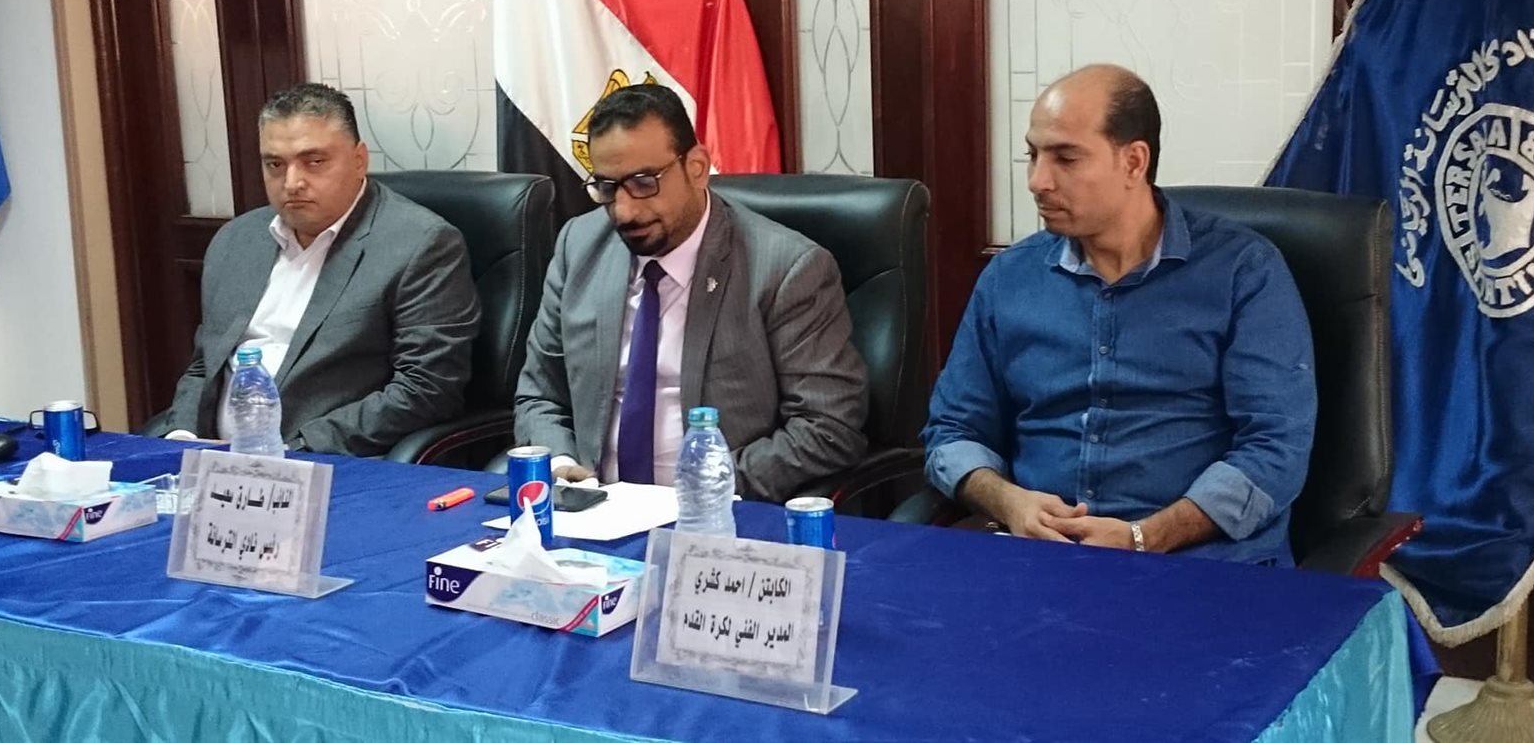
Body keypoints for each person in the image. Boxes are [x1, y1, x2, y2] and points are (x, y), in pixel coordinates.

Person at [923, 64, 1316, 566]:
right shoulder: (1010, 278)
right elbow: (952, 431)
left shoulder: (1244, 272)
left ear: (1133, 161)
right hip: (1041, 558)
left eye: (1066, 158)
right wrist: (1010, 502)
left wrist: (1145, 537)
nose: (1038, 181)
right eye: (1033, 155)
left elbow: (1275, 449)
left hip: (1201, 566)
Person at [514, 84, 867, 502]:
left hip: (716, 514)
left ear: (697, 167)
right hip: (593, 511)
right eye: (607, 187)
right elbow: (539, 393)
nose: (624, 211)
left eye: (644, 182)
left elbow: (828, 426)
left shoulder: (785, 268)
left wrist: (710, 484)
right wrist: (558, 463)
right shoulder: (579, 246)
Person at [159, 82, 480, 455]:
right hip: (213, 463)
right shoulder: (236, 240)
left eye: (314, 162)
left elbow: (427, 389)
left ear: (359, 160)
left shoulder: (419, 244)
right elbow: (205, 365)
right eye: (275, 164)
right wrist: (181, 439)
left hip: (327, 462)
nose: (292, 182)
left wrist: (297, 447)